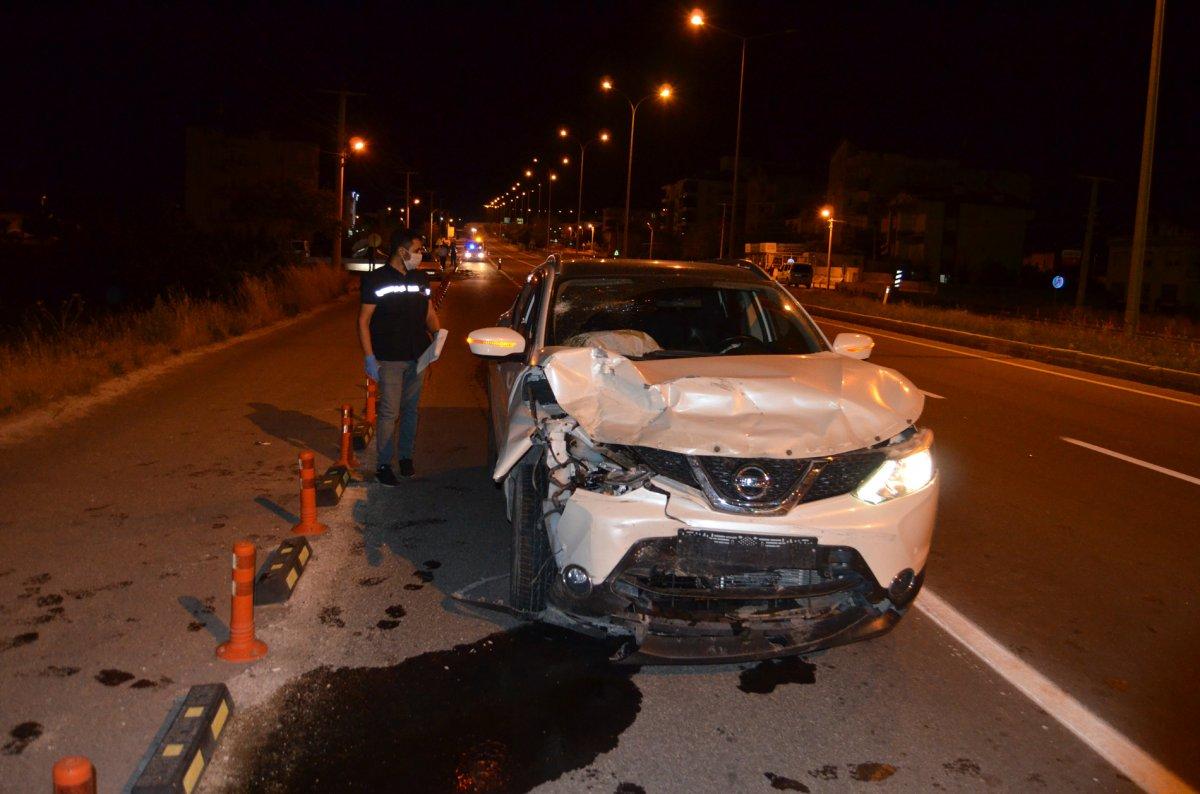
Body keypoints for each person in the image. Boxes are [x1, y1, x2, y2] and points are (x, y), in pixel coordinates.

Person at [358, 229, 440, 484]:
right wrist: (370, 356)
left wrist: (438, 336)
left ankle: (405, 458)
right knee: (389, 412)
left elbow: (429, 313)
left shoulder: (420, 278)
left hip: (418, 354)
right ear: (402, 251)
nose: (419, 255)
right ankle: (384, 464)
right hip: (390, 357)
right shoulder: (375, 280)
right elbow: (363, 321)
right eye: (416, 251)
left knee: (411, 410)